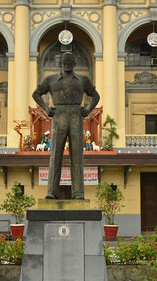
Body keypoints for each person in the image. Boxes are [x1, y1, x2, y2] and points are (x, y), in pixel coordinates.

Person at [32, 52, 100, 199]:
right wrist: (46, 108)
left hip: (76, 115)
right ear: (61, 63)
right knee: (55, 155)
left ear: (74, 63)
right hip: (58, 116)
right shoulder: (50, 80)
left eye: (70, 61)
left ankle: (78, 193)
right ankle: (52, 192)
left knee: (77, 156)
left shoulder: (83, 80)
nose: (67, 64)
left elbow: (96, 95)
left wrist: (88, 110)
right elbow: (36, 94)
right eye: (65, 61)